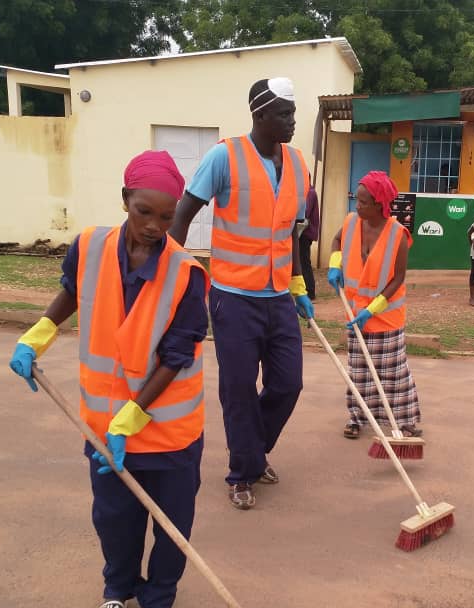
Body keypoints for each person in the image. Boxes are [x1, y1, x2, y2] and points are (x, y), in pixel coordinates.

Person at [8, 150, 208, 608]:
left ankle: (160, 597)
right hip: (102, 425)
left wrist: (135, 414)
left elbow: (177, 354)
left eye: (167, 216)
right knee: (114, 517)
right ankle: (117, 588)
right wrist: (38, 334)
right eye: (145, 212)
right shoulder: (89, 247)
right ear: (125, 200)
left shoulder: (188, 274)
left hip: (167, 427)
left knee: (171, 519)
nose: (156, 226)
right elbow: (72, 293)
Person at [170, 77, 311, 511]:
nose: (291, 122)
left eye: (293, 113)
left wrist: (300, 285)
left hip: (278, 297)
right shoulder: (223, 157)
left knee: (288, 384)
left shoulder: (299, 163)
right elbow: (180, 219)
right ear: (261, 115)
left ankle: (252, 453)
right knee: (238, 389)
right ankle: (242, 471)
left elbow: (296, 235)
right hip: (232, 297)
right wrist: (174, 284)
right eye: (284, 114)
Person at [327, 171, 422, 439]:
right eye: (356, 200)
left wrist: (374, 308)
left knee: (393, 373)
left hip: (386, 317)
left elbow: (398, 278)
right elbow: (336, 241)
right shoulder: (351, 222)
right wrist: (335, 266)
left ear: (380, 204)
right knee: (359, 370)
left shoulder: (398, 235)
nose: (357, 206)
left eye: (363, 202)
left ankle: (404, 421)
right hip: (356, 313)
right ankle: (357, 417)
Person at [298, 175, 320, 300]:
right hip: (304, 232)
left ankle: (310, 292)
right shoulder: (307, 192)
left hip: (305, 233)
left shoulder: (310, 193)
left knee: (304, 261)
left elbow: (304, 213)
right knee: (302, 261)